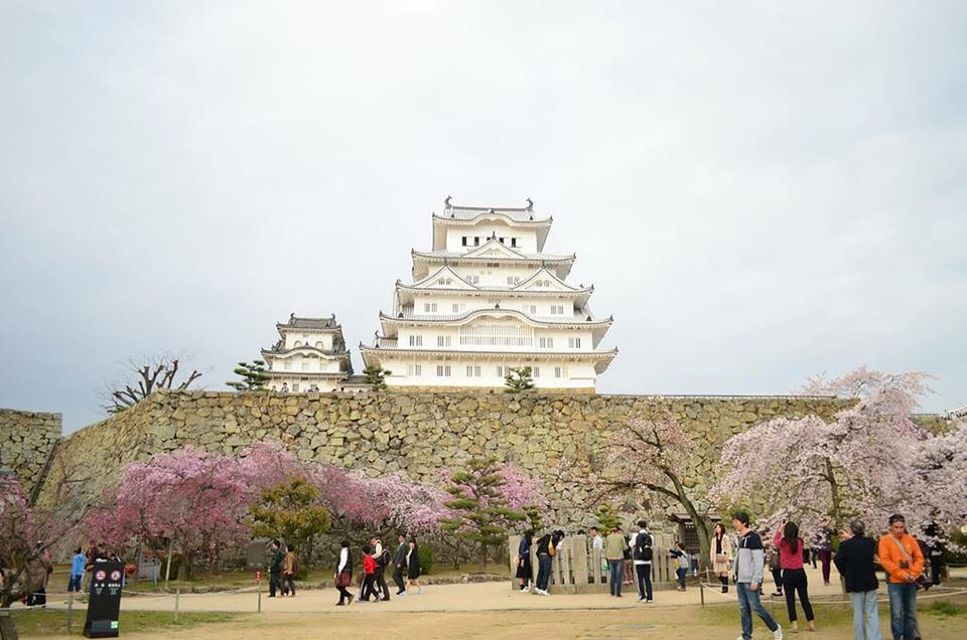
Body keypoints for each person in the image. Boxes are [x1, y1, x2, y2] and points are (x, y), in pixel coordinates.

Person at [733, 511, 783, 640]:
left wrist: (756, 579)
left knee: (756, 607)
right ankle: (746, 635)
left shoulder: (753, 538)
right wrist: (735, 573)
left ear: (744, 522)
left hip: (750, 579)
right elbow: (739, 559)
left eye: (736, 521)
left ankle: (775, 627)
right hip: (740, 579)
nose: (734, 524)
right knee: (744, 608)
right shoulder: (741, 538)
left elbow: (758, 560)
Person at [878, 514, 923, 640]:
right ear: (891, 527)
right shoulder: (885, 541)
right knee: (897, 613)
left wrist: (914, 573)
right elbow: (886, 561)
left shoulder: (910, 540)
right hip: (895, 582)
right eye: (896, 527)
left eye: (901, 527)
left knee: (911, 612)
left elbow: (919, 557)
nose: (899, 530)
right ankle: (898, 636)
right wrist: (901, 574)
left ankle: (910, 636)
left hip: (911, 580)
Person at [835, 520, 881, 640]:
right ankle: (875, 637)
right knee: (872, 612)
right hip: (870, 580)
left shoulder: (846, 545)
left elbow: (837, 560)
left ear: (851, 530)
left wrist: (845, 572)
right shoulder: (871, 543)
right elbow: (876, 560)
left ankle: (860, 637)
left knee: (858, 613)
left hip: (854, 581)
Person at [773, 521, 816, 633]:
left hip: (788, 573)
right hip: (800, 572)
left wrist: (779, 530)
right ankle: (811, 622)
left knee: (790, 600)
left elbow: (774, 542)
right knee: (804, 598)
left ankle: (794, 625)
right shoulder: (800, 541)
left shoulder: (783, 542)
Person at [632, 520, 654, 602]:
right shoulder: (650, 536)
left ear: (639, 526)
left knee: (640, 578)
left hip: (639, 560)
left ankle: (643, 596)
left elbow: (631, 544)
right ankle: (650, 597)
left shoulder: (636, 536)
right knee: (647, 579)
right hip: (648, 560)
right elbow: (651, 546)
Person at [604, 525, 627, 597]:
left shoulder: (608, 537)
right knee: (618, 575)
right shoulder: (621, 537)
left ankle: (612, 592)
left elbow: (606, 547)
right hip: (619, 557)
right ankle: (618, 593)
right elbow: (625, 547)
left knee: (612, 575)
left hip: (610, 557)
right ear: (617, 530)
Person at [712, 522, 734, 593]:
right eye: (716, 528)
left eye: (719, 527)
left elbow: (728, 547)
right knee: (717, 573)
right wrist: (712, 557)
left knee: (724, 572)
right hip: (716, 556)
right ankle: (724, 584)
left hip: (724, 556)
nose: (717, 529)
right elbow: (712, 549)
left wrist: (729, 557)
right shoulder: (714, 539)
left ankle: (725, 588)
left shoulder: (725, 538)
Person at [534, 530, 555, 595]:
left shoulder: (546, 536)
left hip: (540, 555)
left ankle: (538, 587)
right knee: (546, 572)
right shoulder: (554, 538)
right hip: (547, 556)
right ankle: (543, 589)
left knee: (541, 571)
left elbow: (538, 541)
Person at [334, 540, 353, 605]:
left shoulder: (344, 551)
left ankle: (349, 595)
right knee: (342, 586)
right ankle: (342, 600)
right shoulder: (348, 551)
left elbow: (343, 562)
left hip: (344, 570)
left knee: (338, 585)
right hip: (348, 570)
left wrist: (339, 571)